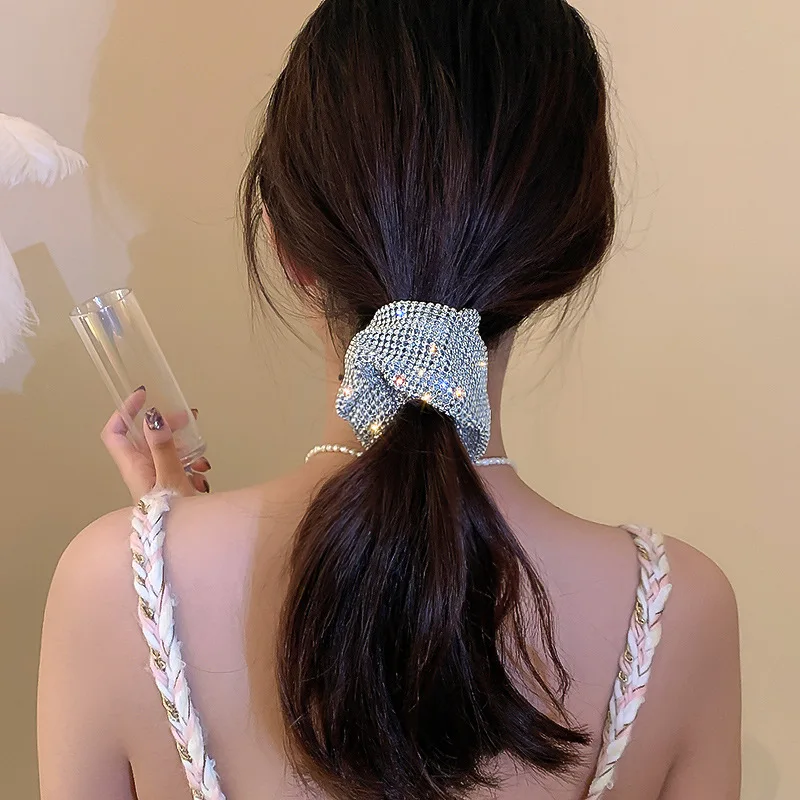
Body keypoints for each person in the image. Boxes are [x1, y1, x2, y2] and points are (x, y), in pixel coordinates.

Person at [37, 1, 741, 798]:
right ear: (569, 252)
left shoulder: (112, 588)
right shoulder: (682, 612)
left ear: (287, 248)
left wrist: (166, 554)